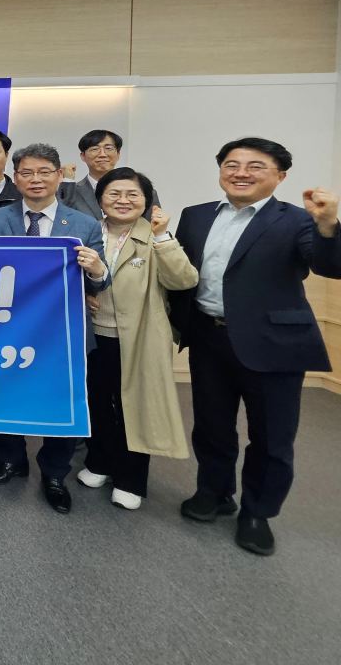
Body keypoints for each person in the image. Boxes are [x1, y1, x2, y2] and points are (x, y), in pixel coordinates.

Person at [170, 137, 341, 556]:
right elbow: (181, 274)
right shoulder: (195, 216)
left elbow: (330, 266)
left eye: (255, 166)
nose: (241, 173)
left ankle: (257, 512)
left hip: (274, 343)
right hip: (209, 337)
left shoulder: (298, 220)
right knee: (211, 425)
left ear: (280, 176)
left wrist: (328, 227)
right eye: (231, 164)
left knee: (271, 436)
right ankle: (214, 492)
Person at [0, 143, 108, 514]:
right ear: (16, 177)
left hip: (62, 334)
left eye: (44, 172)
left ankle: (54, 474)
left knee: (61, 402)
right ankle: (11, 459)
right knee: (5, 395)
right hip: (7, 329)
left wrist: (96, 269)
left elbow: (101, 283)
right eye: (26, 173)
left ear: (58, 176)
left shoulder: (84, 225)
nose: (35, 179)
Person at [76, 167, 197, 512]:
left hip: (138, 338)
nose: (123, 200)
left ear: (146, 200)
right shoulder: (87, 232)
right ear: (100, 199)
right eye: (114, 193)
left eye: (133, 194)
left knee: (134, 408)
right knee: (96, 403)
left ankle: (130, 479)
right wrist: (86, 293)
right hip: (92, 335)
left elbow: (184, 280)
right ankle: (99, 462)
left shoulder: (155, 236)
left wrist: (163, 238)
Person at [58, 129, 161, 221]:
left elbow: (153, 228)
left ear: (118, 154)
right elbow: (60, 218)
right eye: (94, 149)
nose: (102, 154)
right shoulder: (72, 191)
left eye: (108, 148)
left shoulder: (144, 192)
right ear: (83, 156)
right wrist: (67, 181)